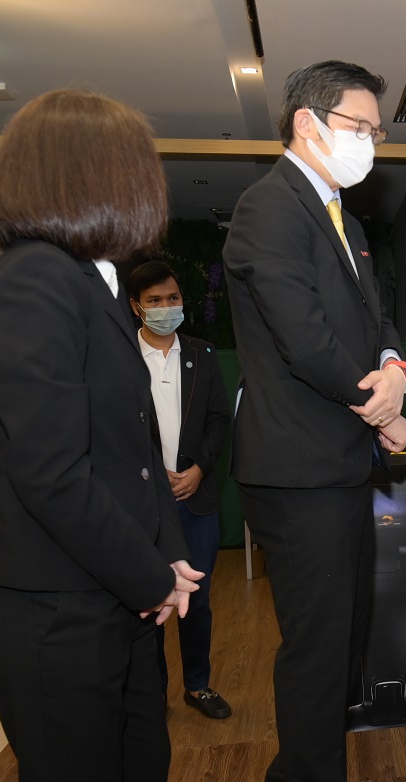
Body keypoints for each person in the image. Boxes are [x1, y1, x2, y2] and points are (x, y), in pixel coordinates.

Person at [0, 89, 200, 782]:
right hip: (49, 605)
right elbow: (53, 473)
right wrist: (149, 575)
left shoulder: (90, 280)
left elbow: (133, 451)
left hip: (107, 592)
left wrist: (164, 555)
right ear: (96, 175)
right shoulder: (36, 279)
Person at [223, 60, 406, 782]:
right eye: (359, 126)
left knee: (343, 642)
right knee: (318, 652)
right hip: (298, 469)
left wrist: (394, 368)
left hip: (342, 462)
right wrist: (382, 406)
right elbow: (305, 342)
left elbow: (376, 320)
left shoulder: (347, 220)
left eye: (376, 130)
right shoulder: (269, 208)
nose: (371, 140)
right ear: (308, 123)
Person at [126, 261, 233, 720]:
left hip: (196, 499)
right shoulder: (120, 357)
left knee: (197, 599)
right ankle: (151, 693)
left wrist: (199, 470)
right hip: (141, 505)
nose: (165, 307)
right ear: (136, 307)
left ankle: (198, 685)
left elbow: (219, 419)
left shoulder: (201, 353)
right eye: (154, 301)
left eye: (172, 298)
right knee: (148, 600)